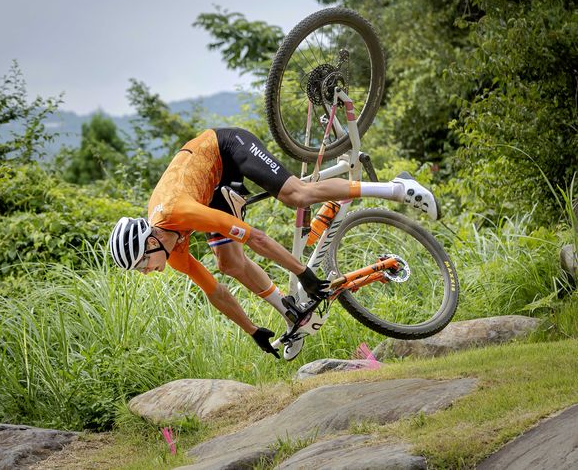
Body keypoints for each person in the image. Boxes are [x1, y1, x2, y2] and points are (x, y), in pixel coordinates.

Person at [109, 128, 438, 360]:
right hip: (209, 188)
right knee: (228, 264)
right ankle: (291, 312)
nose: (146, 272)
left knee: (297, 196)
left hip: (224, 149)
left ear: (151, 241)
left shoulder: (179, 212)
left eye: (141, 264)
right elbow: (216, 292)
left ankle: (396, 188)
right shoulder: (173, 253)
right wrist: (252, 331)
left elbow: (257, 239)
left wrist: (303, 273)